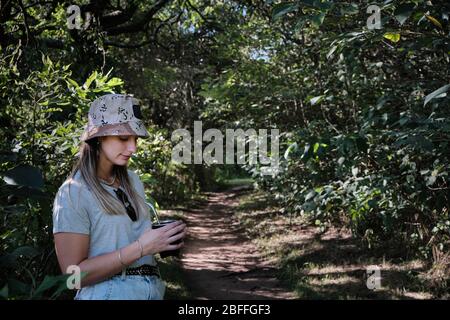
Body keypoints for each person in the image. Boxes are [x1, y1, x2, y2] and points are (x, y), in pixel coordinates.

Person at [52, 93, 186, 300]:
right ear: (98, 138)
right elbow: (72, 278)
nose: (132, 148)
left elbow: (135, 240)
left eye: (135, 139)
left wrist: (162, 240)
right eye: (123, 138)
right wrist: (141, 248)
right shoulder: (73, 193)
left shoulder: (133, 182)